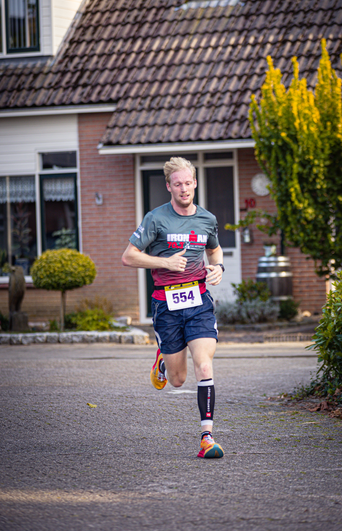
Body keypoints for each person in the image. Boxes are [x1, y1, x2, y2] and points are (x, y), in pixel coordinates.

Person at [122, 156, 225, 459]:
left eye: (188, 183)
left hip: (198, 300)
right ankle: (164, 362)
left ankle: (207, 436)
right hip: (165, 303)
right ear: (168, 186)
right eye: (177, 184)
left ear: (195, 183)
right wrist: (164, 262)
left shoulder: (207, 219)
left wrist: (218, 268)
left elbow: (214, 250)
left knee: (204, 364)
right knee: (178, 380)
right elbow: (129, 257)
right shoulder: (156, 219)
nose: (184, 188)